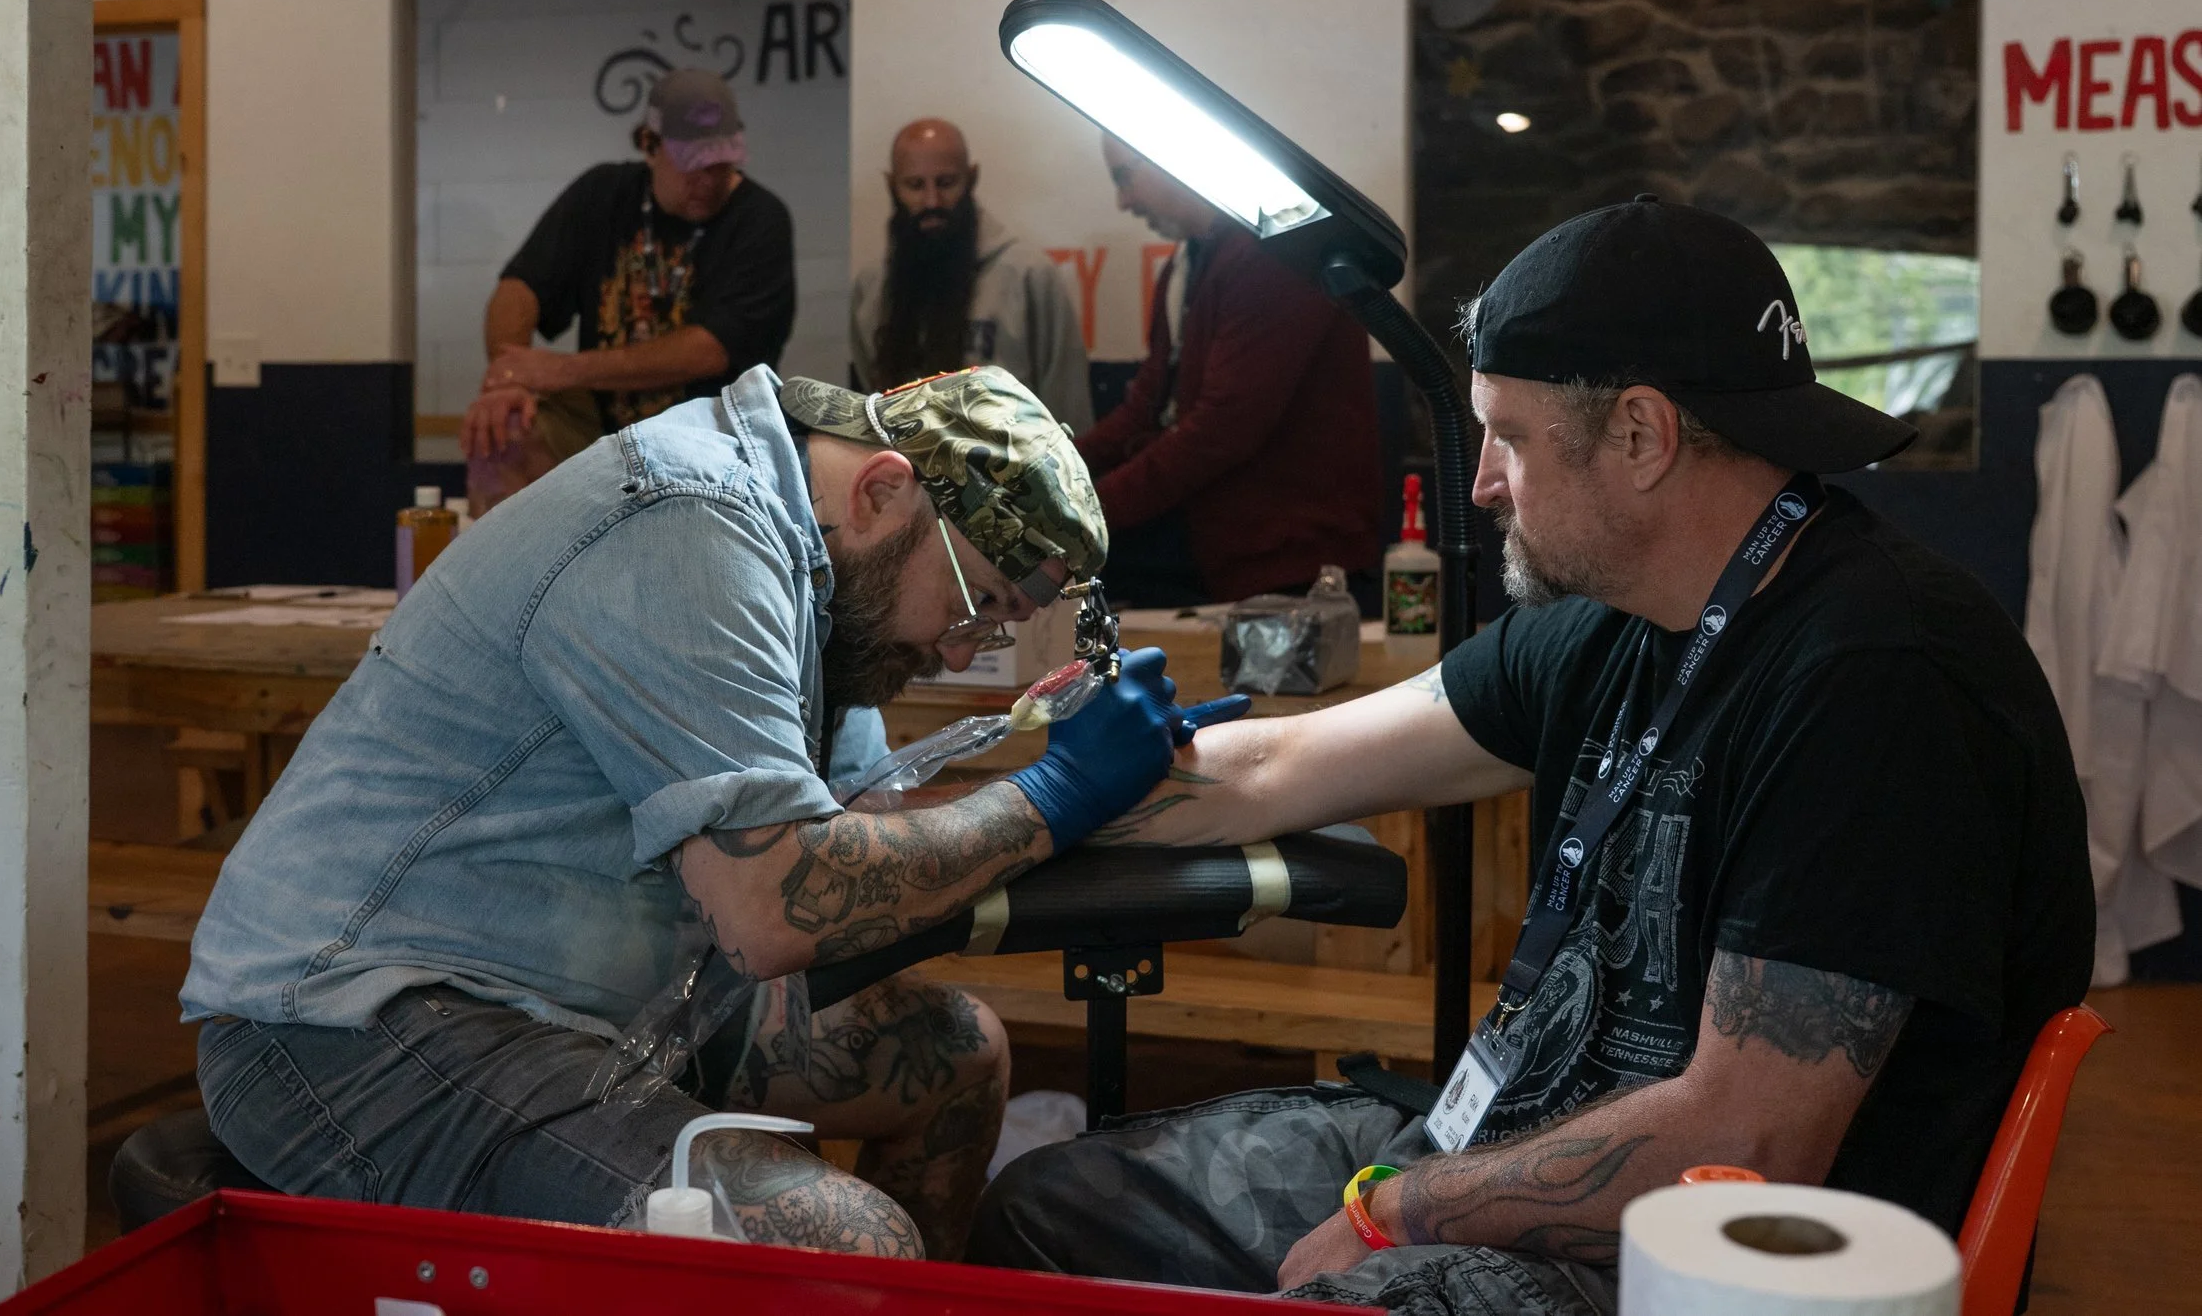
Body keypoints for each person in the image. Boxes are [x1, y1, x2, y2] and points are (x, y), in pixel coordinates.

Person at [970, 199, 2094, 1316]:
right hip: (1522, 1131)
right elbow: (1272, 769)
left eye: (1506, 435)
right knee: (1055, 1209)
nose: (1481, 486)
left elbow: (1746, 1140)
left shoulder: (1880, 680)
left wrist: (1399, 1208)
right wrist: (1010, 804)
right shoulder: (1613, 617)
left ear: (1641, 436)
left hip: (1724, 1258)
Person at [183, 364, 1220, 1260]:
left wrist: (1101, 777)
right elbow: (778, 910)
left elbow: (860, 831)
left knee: (954, 1057)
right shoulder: (689, 524)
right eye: (978, 602)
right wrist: (1057, 794)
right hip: (355, 1021)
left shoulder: (820, 575)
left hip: (575, 998)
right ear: (882, 488)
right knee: (848, 1242)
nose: (961, 650)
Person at [461, 69, 796, 512]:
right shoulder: (602, 194)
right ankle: (510, 580)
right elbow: (519, 290)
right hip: (599, 428)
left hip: (713, 438)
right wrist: (507, 380)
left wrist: (562, 371)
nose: (708, 180)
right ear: (649, 145)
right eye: (693, 165)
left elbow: (710, 350)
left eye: (721, 165)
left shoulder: (760, 218)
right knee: (501, 432)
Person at [1077, 136, 1380, 606]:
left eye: (1124, 177)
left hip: (1295, 569)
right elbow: (1144, 409)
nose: (1124, 201)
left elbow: (1222, 429)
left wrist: (1086, 511)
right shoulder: (1183, 267)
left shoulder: (1273, 254)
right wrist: (1052, 470)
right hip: (1225, 556)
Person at [848, 118, 1093, 433]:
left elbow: (1068, 409)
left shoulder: (1029, 277)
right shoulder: (870, 290)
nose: (932, 201)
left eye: (947, 183)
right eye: (915, 186)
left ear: (972, 178)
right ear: (892, 186)